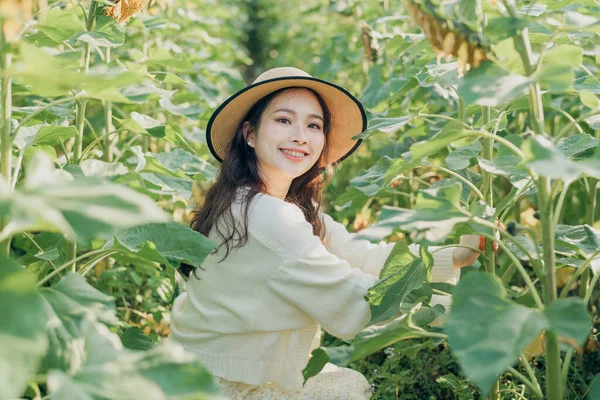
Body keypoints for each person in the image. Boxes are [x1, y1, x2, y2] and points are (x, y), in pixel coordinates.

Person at [168, 67, 485, 399]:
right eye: (283, 120)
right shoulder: (267, 216)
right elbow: (360, 300)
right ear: (249, 133)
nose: (301, 136)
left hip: (217, 370)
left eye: (314, 125)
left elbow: (363, 255)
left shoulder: (269, 203)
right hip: (224, 387)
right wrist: (465, 312)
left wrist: (454, 257)